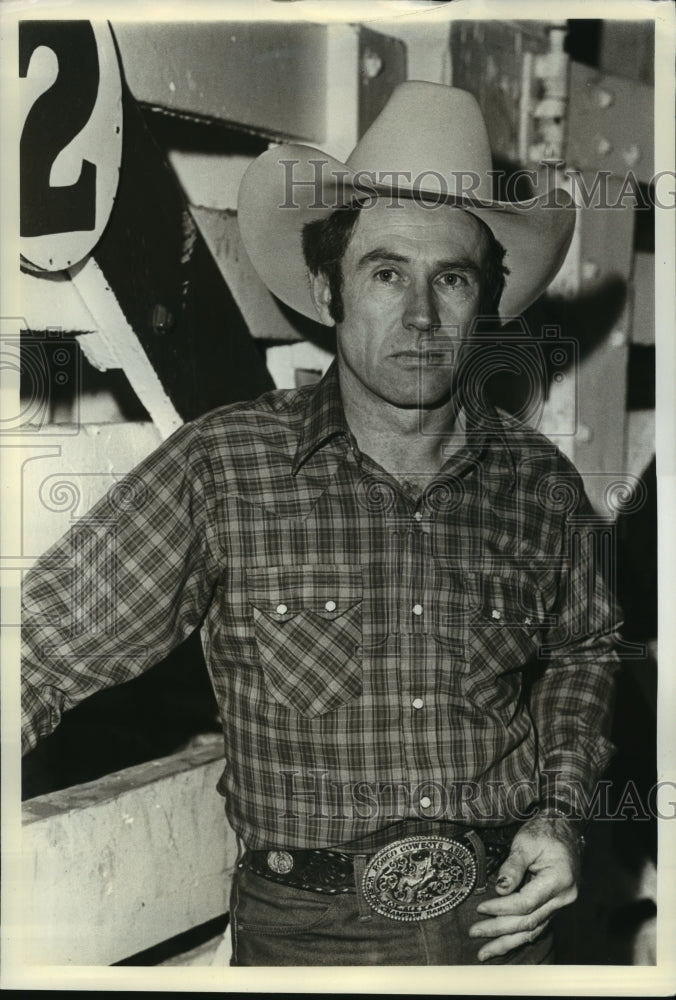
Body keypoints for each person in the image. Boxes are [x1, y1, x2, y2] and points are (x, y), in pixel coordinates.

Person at [21, 83, 621, 966]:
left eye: (450, 279)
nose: (421, 317)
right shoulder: (227, 469)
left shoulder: (540, 485)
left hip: (503, 933)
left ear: (485, 303)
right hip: (308, 938)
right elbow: (38, 649)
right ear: (326, 286)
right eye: (386, 274)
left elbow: (585, 650)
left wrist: (563, 814)